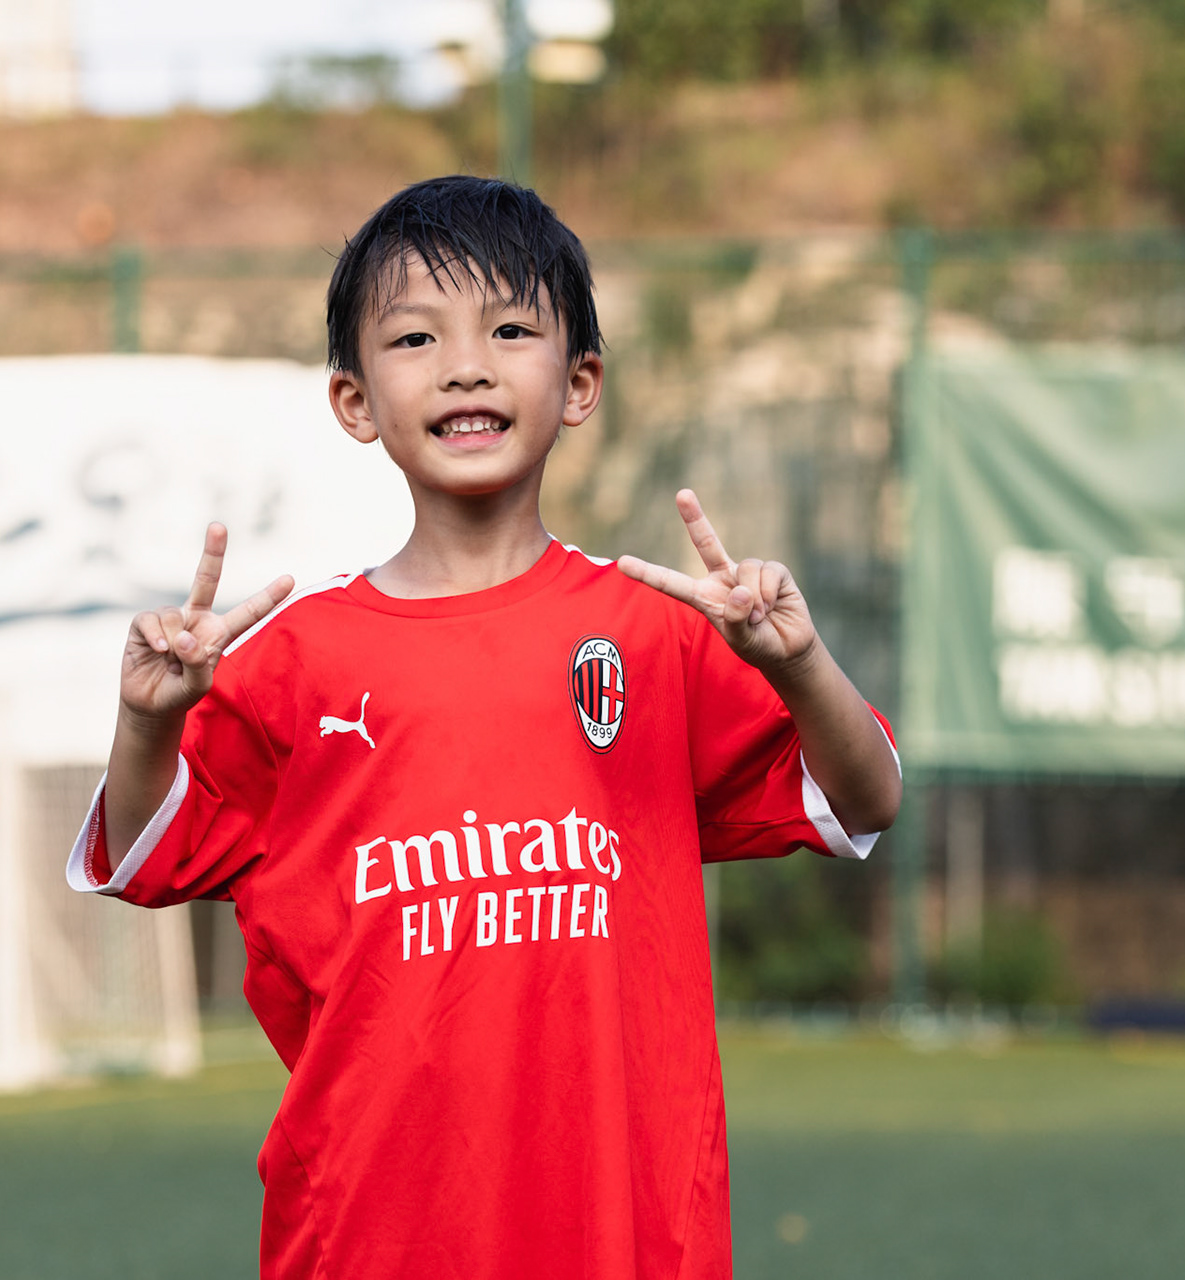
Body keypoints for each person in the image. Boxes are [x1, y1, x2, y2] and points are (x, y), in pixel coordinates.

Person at [65, 175, 902, 1279]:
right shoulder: (296, 658)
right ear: (356, 401)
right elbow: (139, 851)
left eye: (512, 328)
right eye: (416, 336)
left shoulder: (654, 630)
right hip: (366, 1233)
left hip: (626, 1234)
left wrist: (798, 666)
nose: (468, 364)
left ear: (580, 381)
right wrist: (144, 727)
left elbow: (867, 795)